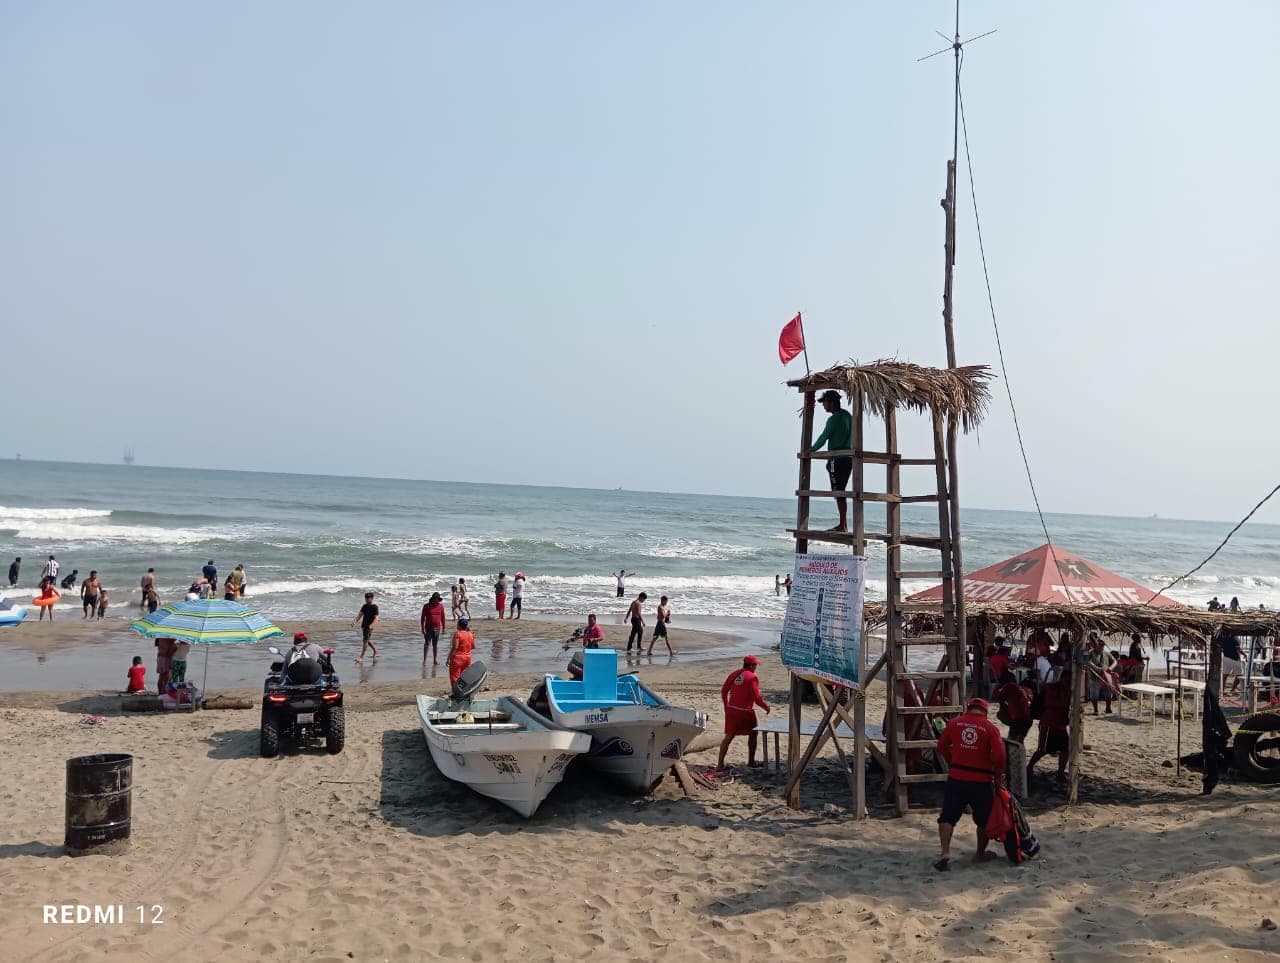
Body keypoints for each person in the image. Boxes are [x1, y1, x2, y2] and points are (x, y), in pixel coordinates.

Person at [934, 697, 1007, 871]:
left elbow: (941, 746)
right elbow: (999, 755)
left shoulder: (954, 723)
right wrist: (998, 778)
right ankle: (980, 854)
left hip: (957, 778)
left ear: (968, 709)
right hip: (981, 781)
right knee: (983, 820)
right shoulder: (990, 728)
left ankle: (945, 852)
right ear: (985, 712)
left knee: (947, 816)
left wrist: (952, 761)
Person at [810, 389, 853, 532]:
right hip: (848, 459)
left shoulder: (834, 419)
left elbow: (824, 437)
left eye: (824, 403)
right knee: (841, 491)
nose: (823, 406)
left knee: (838, 492)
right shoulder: (848, 415)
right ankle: (843, 524)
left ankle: (843, 525)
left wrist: (810, 451)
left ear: (831, 402)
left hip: (837, 459)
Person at [717, 655, 771, 769]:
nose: (756, 667)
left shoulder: (734, 674)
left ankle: (720, 764)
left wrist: (726, 706)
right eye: (755, 665)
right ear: (751, 665)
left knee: (729, 736)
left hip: (732, 709)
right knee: (753, 734)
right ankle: (751, 762)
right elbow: (757, 698)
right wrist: (766, 707)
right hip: (745, 711)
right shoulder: (752, 677)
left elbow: (724, 691)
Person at [1027, 669, 1071, 784]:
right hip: (1048, 723)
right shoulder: (1051, 688)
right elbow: (1050, 703)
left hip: (1061, 724)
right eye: (1067, 681)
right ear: (1062, 679)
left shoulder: (1071, 691)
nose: (1069, 683)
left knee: (1065, 750)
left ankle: (1060, 773)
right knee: (1042, 750)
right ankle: (1029, 767)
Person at [995, 671, 1033, 744]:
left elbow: (998, 697)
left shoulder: (1010, 686)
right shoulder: (1021, 688)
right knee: (1019, 743)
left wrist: (998, 688)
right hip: (1029, 719)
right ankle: (1020, 754)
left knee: (1011, 742)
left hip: (1019, 719)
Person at [1087, 634, 1116, 715]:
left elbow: (1115, 661)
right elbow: (1088, 662)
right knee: (1094, 694)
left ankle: (1108, 708)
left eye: (1102, 648)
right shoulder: (1090, 653)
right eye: (1100, 648)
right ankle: (1095, 710)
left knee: (1108, 693)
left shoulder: (1106, 653)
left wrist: (1111, 668)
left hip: (1106, 677)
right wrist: (1096, 668)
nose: (1101, 650)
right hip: (1094, 677)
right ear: (1095, 646)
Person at [447, 617, 475, 687]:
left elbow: (455, 647)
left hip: (457, 658)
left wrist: (448, 659)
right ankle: (463, 691)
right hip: (467, 658)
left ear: (459, 625)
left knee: (455, 678)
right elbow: (474, 646)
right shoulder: (471, 634)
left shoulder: (457, 634)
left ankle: (456, 693)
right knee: (464, 677)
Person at [353, 591, 379, 664]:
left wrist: (372, 625)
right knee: (367, 640)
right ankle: (375, 651)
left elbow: (376, 617)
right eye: (365, 598)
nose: (366, 600)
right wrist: (355, 621)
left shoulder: (375, 607)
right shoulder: (365, 606)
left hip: (369, 626)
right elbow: (360, 615)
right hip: (364, 625)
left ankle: (361, 657)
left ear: (372, 598)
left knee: (365, 641)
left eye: (368, 598)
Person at [421, 592, 446, 665]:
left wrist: (444, 627)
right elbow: (422, 618)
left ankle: (435, 660)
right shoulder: (426, 606)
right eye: (435, 599)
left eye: (438, 599)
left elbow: (443, 617)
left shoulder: (441, 606)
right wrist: (422, 628)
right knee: (426, 644)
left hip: (437, 629)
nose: (437, 601)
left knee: (435, 645)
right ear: (432, 599)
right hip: (428, 628)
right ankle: (424, 661)